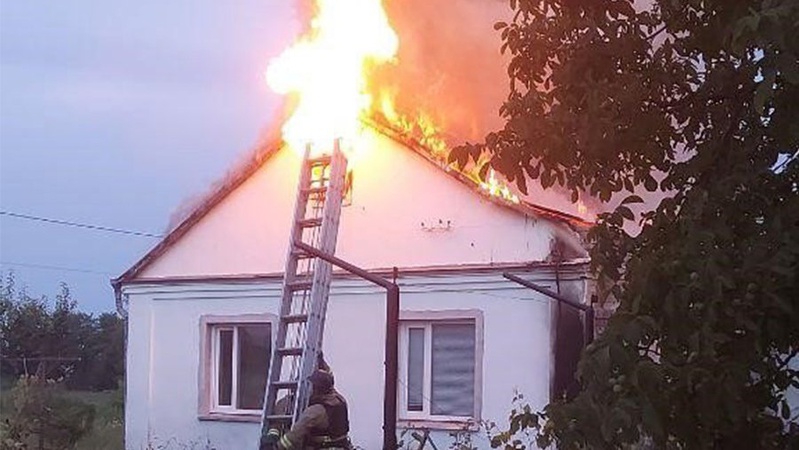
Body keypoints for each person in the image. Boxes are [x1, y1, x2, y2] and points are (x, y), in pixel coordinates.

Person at [261, 355, 352, 450]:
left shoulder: (316, 411)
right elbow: (329, 375)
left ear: (317, 389)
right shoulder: (339, 398)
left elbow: (294, 435)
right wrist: (321, 361)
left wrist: (275, 447)